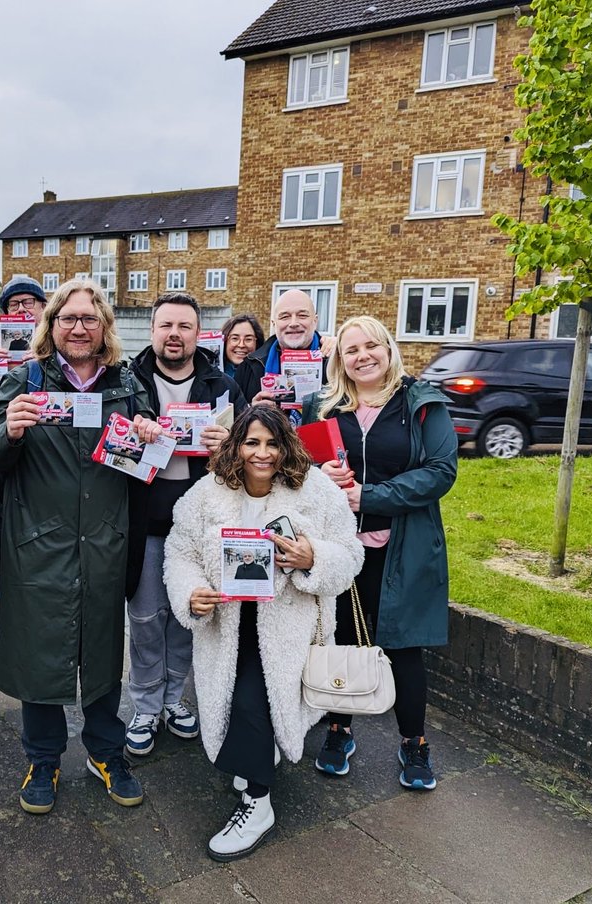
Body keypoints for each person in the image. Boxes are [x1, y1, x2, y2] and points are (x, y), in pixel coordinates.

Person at [0, 278, 158, 816]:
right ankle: (44, 758)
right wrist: (7, 428)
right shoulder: (24, 379)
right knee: (40, 655)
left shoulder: (126, 384)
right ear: (50, 326)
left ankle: (106, 753)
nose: (79, 327)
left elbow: (143, 462)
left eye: (89, 319)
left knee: (101, 650)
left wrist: (149, 432)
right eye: (68, 318)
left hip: (103, 542)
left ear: (104, 329)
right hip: (39, 545)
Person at [164, 406, 362, 861]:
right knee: (235, 698)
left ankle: (257, 804)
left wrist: (313, 558)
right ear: (236, 445)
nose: (263, 453)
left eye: (272, 443)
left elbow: (350, 554)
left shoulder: (316, 491)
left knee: (254, 700)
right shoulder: (205, 494)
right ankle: (257, 757)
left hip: (287, 628)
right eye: (252, 442)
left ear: (287, 445)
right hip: (228, 622)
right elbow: (180, 553)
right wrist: (191, 593)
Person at [298, 315, 457, 790]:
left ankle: (414, 743)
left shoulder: (421, 404)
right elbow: (299, 468)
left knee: (403, 649)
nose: (363, 356)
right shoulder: (321, 407)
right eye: (352, 350)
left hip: (401, 548)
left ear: (388, 350)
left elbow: (440, 471)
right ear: (339, 359)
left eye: (372, 346)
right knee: (342, 640)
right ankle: (340, 729)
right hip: (340, 549)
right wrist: (317, 479)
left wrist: (368, 497)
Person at [125, 291, 247, 758]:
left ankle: (174, 700)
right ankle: (144, 705)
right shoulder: (127, 381)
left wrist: (229, 444)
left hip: (199, 526)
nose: (174, 335)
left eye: (184, 327)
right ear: (153, 331)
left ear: (199, 334)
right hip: (143, 518)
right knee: (144, 620)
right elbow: (108, 450)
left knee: (188, 618)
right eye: (166, 326)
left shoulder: (223, 386)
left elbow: (247, 460)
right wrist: (133, 435)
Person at [0, 276, 50, 663]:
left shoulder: (55, 344)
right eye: (15, 304)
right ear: (3, 313)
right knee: (4, 561)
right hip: (5, 463)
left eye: (31, 302)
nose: (23, 309)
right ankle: (0, 635)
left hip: (44, 465)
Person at [233, 289, 333, 411]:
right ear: (274, 324)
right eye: (285, 317)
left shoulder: (334, 361)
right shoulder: (249, 366)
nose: (293, 323)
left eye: (302, 315)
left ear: (315, 321)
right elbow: (234, 421)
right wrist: (250, 411)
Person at [220, 313, 265, 379]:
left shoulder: (266, 374)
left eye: (248, 339)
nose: (241, 345)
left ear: (257, 342)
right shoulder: (209, 373)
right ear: (225, 341)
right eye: (235, 338)